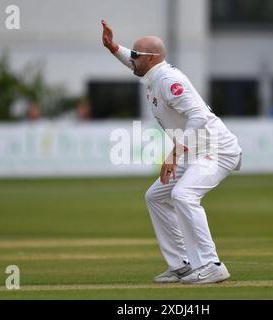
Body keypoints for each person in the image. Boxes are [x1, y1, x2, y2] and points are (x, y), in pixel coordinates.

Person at [101, 20, 242, 284]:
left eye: (136, 55)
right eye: (131, 54)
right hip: (195, 151)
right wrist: (113, 47)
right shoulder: (153, 74)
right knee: (155, 196)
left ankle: (211, 264)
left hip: (217, 150)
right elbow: (132, 62)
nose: (131, 59)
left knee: (184, 195)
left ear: (152, 58)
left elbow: (198, 116)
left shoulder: (168, 80)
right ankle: (183, 266)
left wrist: (175, 154)